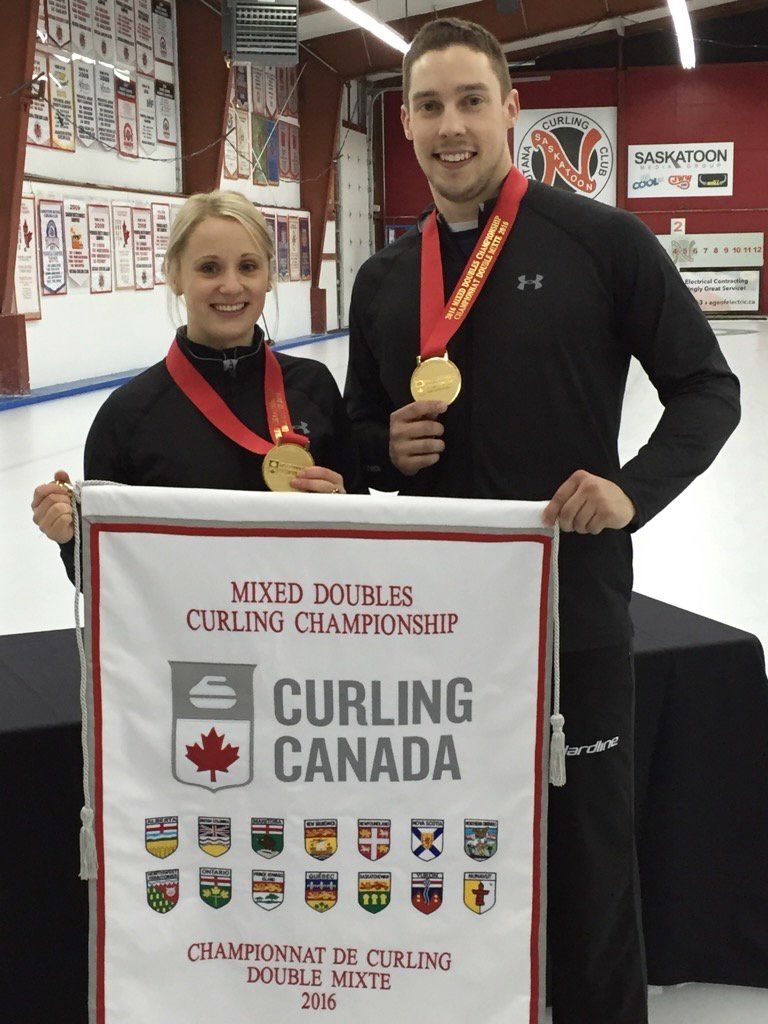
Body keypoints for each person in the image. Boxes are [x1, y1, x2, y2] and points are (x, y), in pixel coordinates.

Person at [344, 18, 740, 1024]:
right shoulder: (387, 279)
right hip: (432, 620)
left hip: (574, 611)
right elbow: (352, 438)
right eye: (428, 105)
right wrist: (381, 449)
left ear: (511, 108)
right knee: (443, 838)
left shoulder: (601, 242)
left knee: (589, 855)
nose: (450, 126)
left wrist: (633, 489)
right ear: (405, 121)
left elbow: (707, 388)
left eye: (471, 99)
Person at [32, 189, 359, 576]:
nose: (232, 286)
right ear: (174, 275)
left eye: (249, 266)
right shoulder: (128, 415)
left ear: (269, 276)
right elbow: (103, 581)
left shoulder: (313, 387)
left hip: (298, 627)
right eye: (209, 268)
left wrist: (344, 506)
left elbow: (361, 542)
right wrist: (68, 536)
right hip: (186, 634)